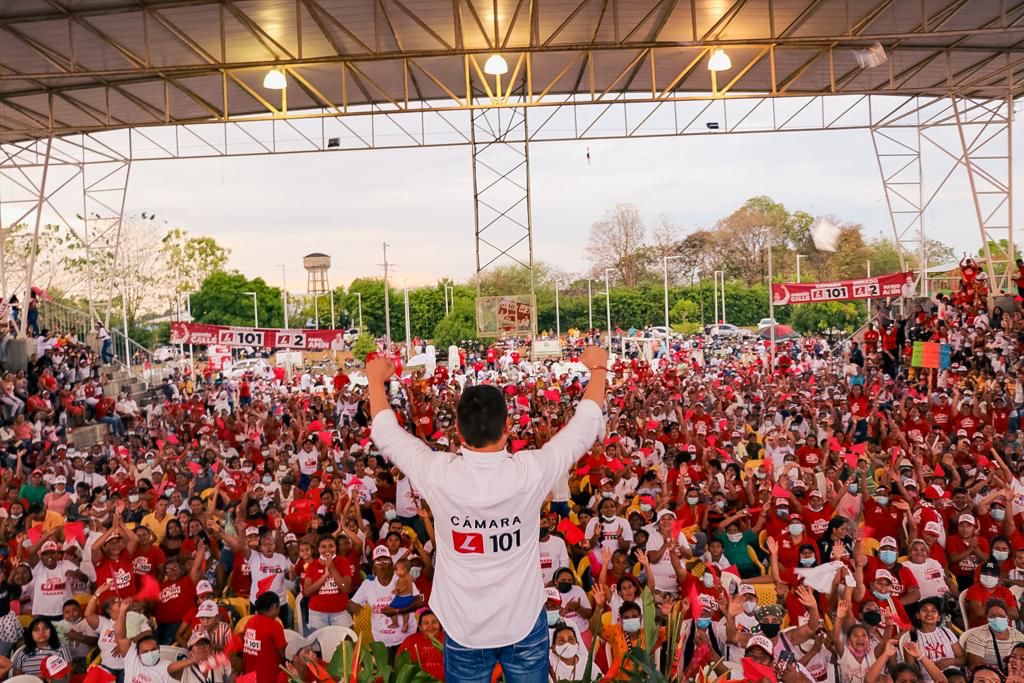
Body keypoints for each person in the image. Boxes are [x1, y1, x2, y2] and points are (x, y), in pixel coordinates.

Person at [366, 345, 609, 680]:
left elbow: (385, 433)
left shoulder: (439, 473)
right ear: (507, 425)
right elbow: (583, 428)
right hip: (523, 623)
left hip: (464, 628)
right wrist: (598, 369)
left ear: (458, 431)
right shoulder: (530, 471)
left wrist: (375, 380)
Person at [964, 598, 1024, 672]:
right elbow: (975, 667)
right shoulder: (977, 636)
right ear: (987, 619)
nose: (997, 619)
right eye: (993, 616)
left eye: (1001, 616)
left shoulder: (1018, 636)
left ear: (1007, 618)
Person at [241, 592, 287, 683]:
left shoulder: (250, 621)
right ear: (274, 606)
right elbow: (284, 654)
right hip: (268, 678)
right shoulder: (275, 626)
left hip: (248, 678)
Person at [396, 610, 445, 681]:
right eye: (426, 623)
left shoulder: (448, 640)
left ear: (440, 624)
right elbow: (399, 665)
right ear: (420, 627)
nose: (430, 626)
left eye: (434, 622)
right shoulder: (411, 641)